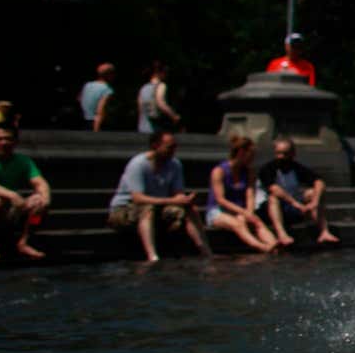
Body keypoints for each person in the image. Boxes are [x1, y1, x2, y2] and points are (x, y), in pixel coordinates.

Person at [108, 130, 211, 262]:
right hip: (125, 208)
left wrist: (185, 200)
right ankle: (152, 256)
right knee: (147, 209)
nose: (173, 151)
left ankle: (205, 250)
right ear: (155, 146)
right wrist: (171, 200)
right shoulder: (138, 164)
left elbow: (177, 193)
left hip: (158, 206)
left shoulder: (175, 165)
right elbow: (138, 198)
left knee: (191, 209)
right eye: (169, 147)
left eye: (174, 147)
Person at [0, 123, 52, 263]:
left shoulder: (23, 161)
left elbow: (39, 182)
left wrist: (45, 196)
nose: (4, 142)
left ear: (15, 142)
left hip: (8, 210)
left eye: (8, 139)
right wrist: (11, 195)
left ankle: (25, 242)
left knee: (39, 203)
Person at [258, 137, 341, 246]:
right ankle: (282, 235)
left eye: (285, 153)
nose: (281, 157)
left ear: (292, 154)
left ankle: (324, 231)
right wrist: (295, 203)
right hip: (271, 211)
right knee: (273, 198)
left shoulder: (296, 167)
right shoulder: (268, 169)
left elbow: (319, 182)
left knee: (312, 192)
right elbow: (274, 189)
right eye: (278, 153)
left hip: (294, 209)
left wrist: (314, 202)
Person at [206, 135, 280, 253]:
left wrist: (249, 213)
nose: (253, 158)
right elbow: (221, 200)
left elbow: (250, 195)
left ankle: (273, 245)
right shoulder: (219, 171)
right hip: (218, 211)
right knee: (238, 223)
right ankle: (263, 247)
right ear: (241, 152)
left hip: (239, 211)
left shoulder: (249, 172)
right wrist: (244, 212)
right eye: (251, 154)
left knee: (256, 221)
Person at [137, 61, 181, 133]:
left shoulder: (143, 88)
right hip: (155, 127)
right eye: (165, 72)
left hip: (142, 127)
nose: (166, 74)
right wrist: (174, 116)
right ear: (159, 73)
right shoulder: (161, 86)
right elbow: (160, 103)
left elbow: (140, 109)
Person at [80, 62, 117, 131]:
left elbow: (80, 99)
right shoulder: (107, 89)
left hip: (84, 121)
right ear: (109, 75)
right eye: (113, 73)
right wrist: (96, 131)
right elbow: (100, 110)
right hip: (97, 124)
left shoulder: (87, 85)